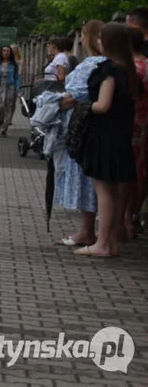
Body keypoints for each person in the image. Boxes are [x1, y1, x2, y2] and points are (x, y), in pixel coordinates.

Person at [73, 22, 139, 258]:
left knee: (104, 191)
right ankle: (110, 241)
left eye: (101, 37)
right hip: (120, 136)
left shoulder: (110, 71)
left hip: (105, 136)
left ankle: (102, 243)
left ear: (110, 42)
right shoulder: (127, 69)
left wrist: (84, 106)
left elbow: (103, 105)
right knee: (113, 191)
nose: (98, 40)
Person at [54, 20, 106, 248]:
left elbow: (77, 93)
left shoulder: (97, 63)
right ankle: (95, 231)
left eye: (84, 35)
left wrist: (59, 103)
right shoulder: (100, 63)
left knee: (88, 181)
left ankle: (88, 232)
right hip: (86, 125)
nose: (82, 40)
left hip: (85, 127)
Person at [125, 27, 147, 238]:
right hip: (144, 124)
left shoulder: (128, 69)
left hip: (128, 125)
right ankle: (133, 215)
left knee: (125, 175)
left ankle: (124, 221)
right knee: (142, 173)